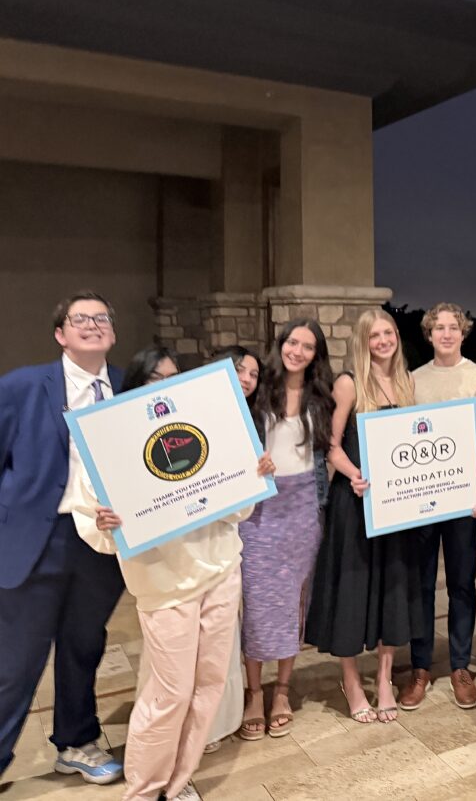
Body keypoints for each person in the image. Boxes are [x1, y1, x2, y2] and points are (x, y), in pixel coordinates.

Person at [73, 345, 275, 801]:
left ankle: (178, 782)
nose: (164, 387)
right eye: (154, 379)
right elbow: (95, 525)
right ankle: (144, 789)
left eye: (172, 378)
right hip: (164, 584)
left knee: (209, 686)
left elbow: (238, 512)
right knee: (169, 693)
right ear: (136, 385)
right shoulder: (109, 442)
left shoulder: (207, 427)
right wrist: (105, 524)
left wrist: (252, 478)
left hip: (220, 569)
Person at [0, 291, 126, 785]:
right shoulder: (22, 386)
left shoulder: (129, 388)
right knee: (16, 661)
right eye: (80, 319)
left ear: (113, 330)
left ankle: (76, 743)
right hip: (38, 541)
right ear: (61, 334)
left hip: (101, 544)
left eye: (101, 317)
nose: (93, 324)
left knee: (83, 647)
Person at [306, 310, 427, 724]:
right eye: (374, 335)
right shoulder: (349, 383)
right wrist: (355, 474)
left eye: (388, 333)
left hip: (394, 506)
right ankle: (352, 681)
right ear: (363, 341)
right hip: (355, 503)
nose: (383, 341)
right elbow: (330, 445)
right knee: (353, 591)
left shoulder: (407, 382)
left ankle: (386, 677)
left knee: (392, 588)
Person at [401, 302, 476, 711]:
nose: (445, 334)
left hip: (462, 498)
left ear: (463, 332)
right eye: (438, 327)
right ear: (429, 334)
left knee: (462, 583)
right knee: (421, 584)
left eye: (452, 327)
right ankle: (420, 666)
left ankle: (460, 665)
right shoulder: (412, 380)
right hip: (421, 500)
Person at [238, 319, 333, 740]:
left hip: (303, 507)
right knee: (259, 602)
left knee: (295, 600)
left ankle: (281, 690)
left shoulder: (321, 397)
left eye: (307, 346)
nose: (298, 351)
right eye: (293, 342)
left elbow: (329, 450)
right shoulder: (259, 389)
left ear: (316, 355)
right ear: (281, 345)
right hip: (261, 508)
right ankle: (253, 692)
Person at [198, 345, 262, 752]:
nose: (246, 379)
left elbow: (243, 498)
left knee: (221, 638)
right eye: (240, 370)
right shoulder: (193, 415)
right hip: (184, 547)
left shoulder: (245, 423)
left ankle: (217, 722)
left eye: (253, 374)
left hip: (223, 541)